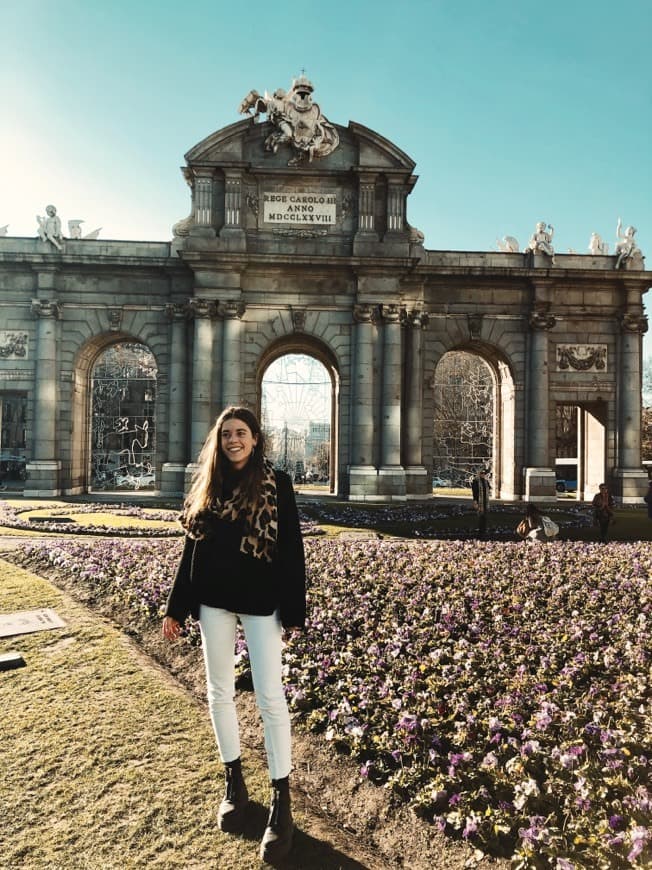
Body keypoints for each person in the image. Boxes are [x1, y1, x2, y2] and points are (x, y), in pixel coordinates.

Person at [162, 406, 306, 863]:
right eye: (226, 434)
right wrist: (176, 606)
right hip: (212, 600)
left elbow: (291, 551)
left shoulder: (276, 483)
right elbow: (192, 548)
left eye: (241, 433)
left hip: (262, 602)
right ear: (219, 441)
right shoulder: (209, 482)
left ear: (256, 438)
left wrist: (295, 612)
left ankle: (282, 802)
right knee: (218, 693)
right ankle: (234, 783)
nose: (233, 441)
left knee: (270, 698)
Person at [471, 468, 490, 537]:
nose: (483, 474)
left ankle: (484, 529)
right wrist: (475, 501)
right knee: (480, 515)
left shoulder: (486, 481)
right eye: (482, 473)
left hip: (485, 501)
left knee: (485, 516)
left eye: (484, 473)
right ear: (479, 474)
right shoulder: (475, 481)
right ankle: (480, 530)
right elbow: (474, 492)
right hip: (479, 501)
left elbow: (488, 489)